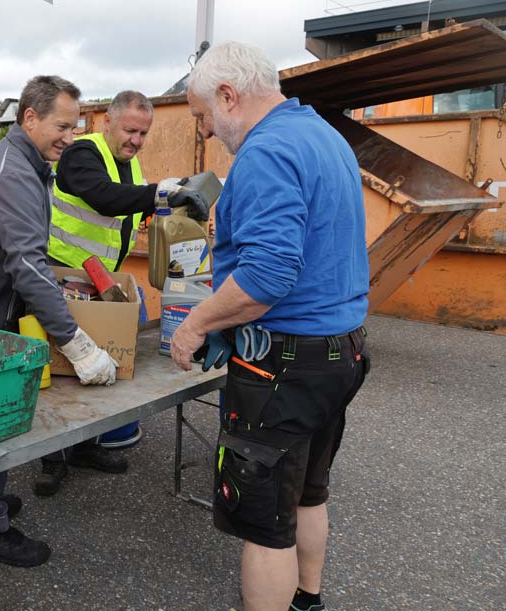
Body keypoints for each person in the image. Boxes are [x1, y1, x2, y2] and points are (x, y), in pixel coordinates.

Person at [170, 41, 370, 611]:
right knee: (306, 493)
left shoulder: (265, 152)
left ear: (229, 96)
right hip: (341, 353)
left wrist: (196, 325)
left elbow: (268, 273)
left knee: (265, 526)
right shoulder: (324, 136)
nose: (206, 132)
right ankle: (308, 600)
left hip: (283, 366)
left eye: (203, 118)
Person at [0, 75, 119, 567]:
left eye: (76, 126)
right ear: (30, 118)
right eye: (62, 125)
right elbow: (27, 264)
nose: (70, 136)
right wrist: (77, 344)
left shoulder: (23, 161)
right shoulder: (14, 173)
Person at [36, 90, 210, 497]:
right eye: (130, 130)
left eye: (143, 133)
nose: (136, 140)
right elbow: (104, 197)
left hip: (100, 283)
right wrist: (161, 192)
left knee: (93, 372)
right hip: (60, 278)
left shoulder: (130, 166)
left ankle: (83, 447)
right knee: (60, 372)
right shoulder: (81, 153)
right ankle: (50, 460)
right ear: (108, 123)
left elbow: (132, 209)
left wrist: (175, 208)